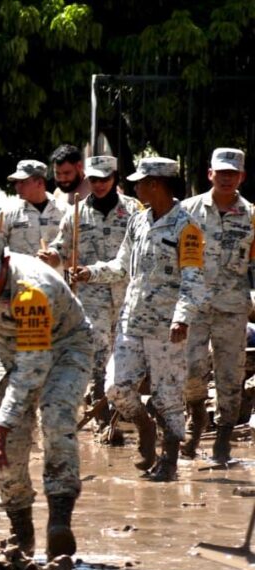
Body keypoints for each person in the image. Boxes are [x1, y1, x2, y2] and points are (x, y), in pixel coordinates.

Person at [0, 225, 92, 560]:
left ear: (5, 262)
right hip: (4, 351)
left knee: (55, 420)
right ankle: (20, 533)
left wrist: (0, 423)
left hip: (64, 347)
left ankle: (59, 521)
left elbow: (33, 367)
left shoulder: (32, 288)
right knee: (7, 449)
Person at [72, 157, 207, 481]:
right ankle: (146, 429)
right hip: (131, 320)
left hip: (166, 327)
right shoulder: (137, 221)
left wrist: (182, 318)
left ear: (156, 184)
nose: (135, 187)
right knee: (116, 386)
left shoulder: (186, 227)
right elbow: (121, 266)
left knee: (168, 394)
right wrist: (90, 273)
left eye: (141, 182)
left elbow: (193, 278)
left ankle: (169, 460)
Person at [39, 156, 141, 437]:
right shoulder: (76, 212)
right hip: (91, 295)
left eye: (104, 179)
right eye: (93, 179)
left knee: (123, 355)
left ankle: (124, 410)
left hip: (125, 292)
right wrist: (53, 255)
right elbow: (62, 245)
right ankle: (102, 415)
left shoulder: (134, 210)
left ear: (115, 179)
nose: (98, 185)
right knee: (97, 353)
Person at [178, 148, 253, 464]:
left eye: (232, 173)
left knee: (230, 376)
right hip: (194, 305)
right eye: (220, 173)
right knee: (192, 369)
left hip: (233, 308)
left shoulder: (251, 215)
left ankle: (223, 438)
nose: (225, 178)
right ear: (210, 174)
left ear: (241, 177)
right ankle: (196, 415)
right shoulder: (187, 211)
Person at [0, 160, 65, 259]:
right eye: (16, 182)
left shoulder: (64, 211)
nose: (17, 186)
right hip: (20, 273)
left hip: (54, 273)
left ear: (39, 183)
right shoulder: (7, 213)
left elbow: (72, 247)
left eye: (23, 182)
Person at [50, 144, 91, 209]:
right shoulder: (57, 194)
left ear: (79, 166)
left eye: (67, 173)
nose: (62, 179)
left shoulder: (94, 187)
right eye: (58, 173)